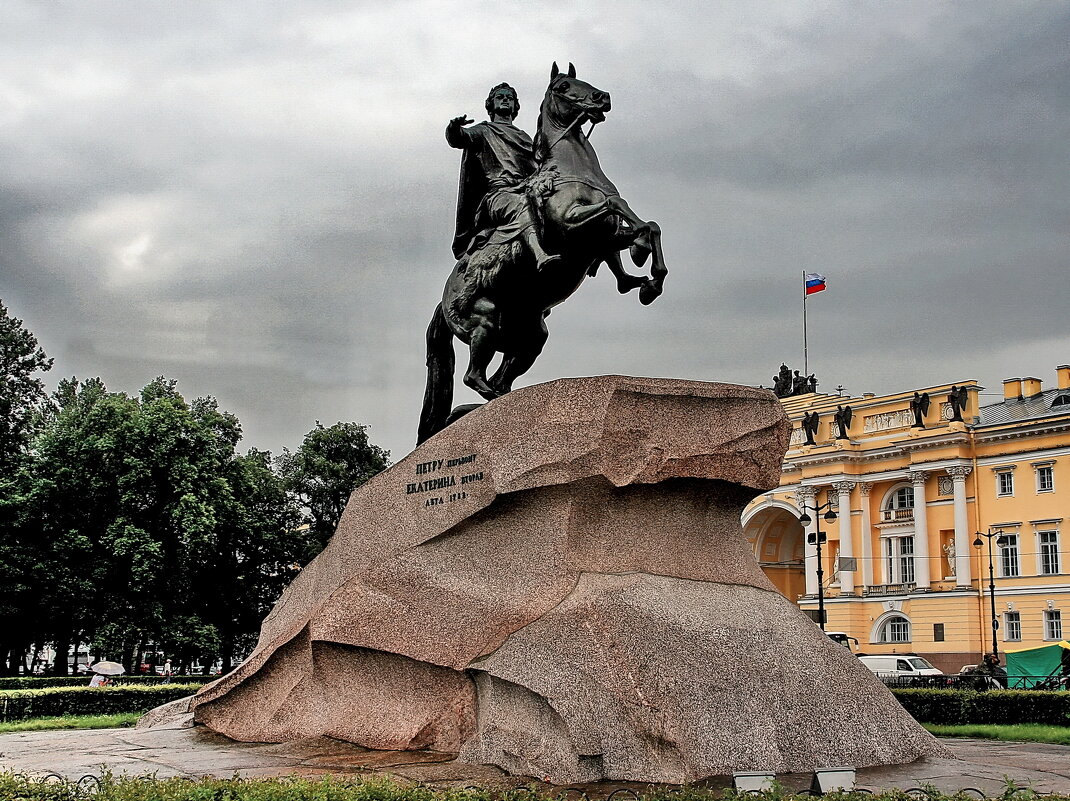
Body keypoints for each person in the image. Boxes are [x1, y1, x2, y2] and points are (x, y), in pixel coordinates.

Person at [447, 82, 560, 271]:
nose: (506, 100)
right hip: (498, 195)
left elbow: (540, 165)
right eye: (500, 97)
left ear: (516, 106)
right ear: (490, 105)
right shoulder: (483, 131)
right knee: (521, 203)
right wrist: (453, 128)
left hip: (526, 187)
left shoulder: (525, 137)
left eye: (510, 98)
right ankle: (539, 255)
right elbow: (458, 138)